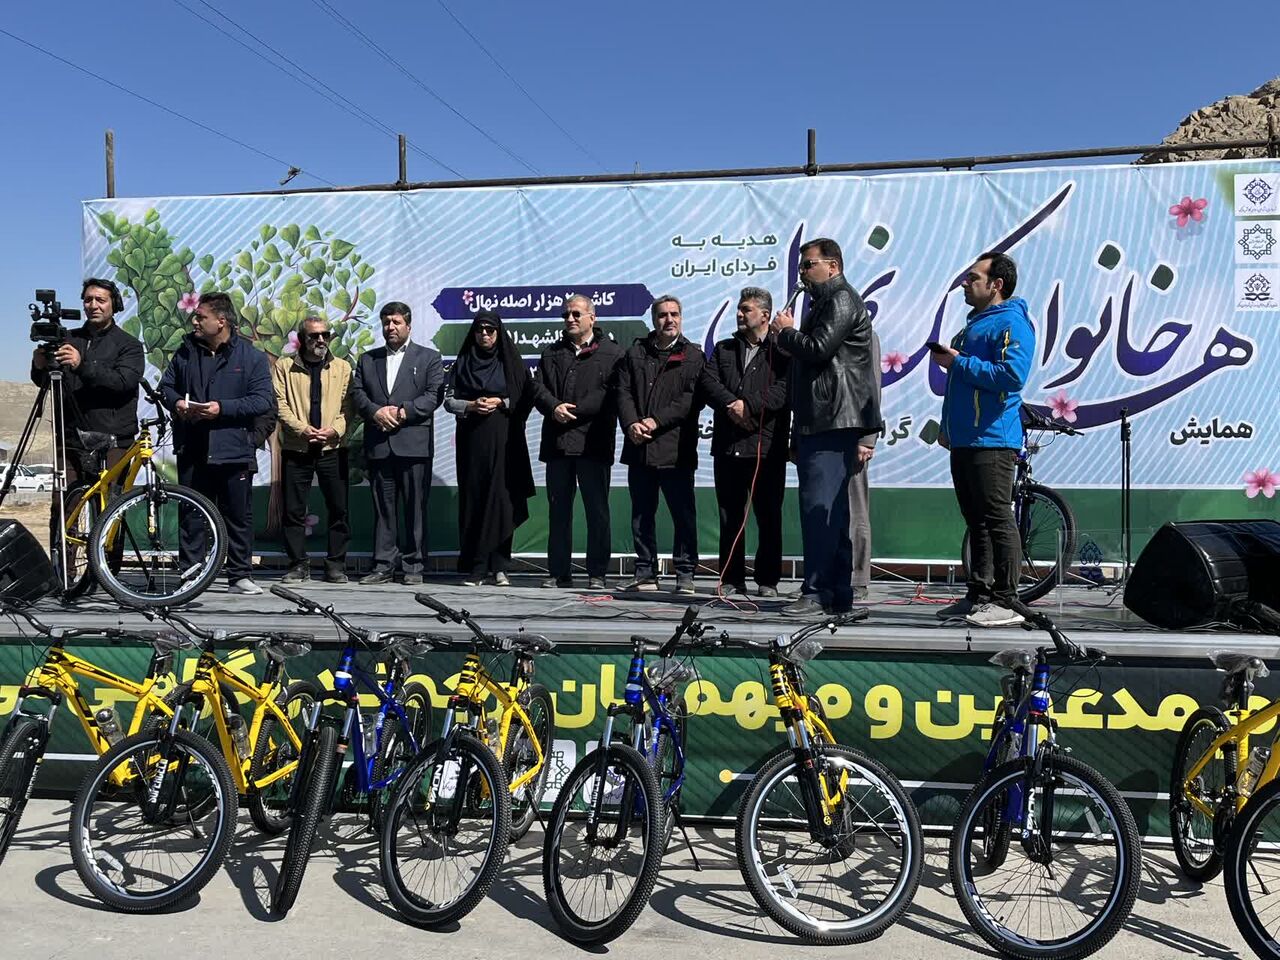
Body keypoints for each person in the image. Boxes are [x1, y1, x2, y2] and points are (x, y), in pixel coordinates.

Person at [770, 238, 882, 615]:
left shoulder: (841, 300)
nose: (802, 273)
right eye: (801, 267)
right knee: (831, 513)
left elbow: (818, 348)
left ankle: (817, 591)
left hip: (833, 420)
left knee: (820, 510)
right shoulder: (825, 302)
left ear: (832, 266)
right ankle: (837, 594)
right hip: (822, 420)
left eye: (808, 265)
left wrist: (785, 332)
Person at [931, 251, 1035, 627]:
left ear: (996, 285)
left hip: (993, 438)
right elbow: (959, 384)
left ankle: (1007, 599)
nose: (964, 283)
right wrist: (949, 428)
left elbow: (1012, 376)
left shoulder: (1011, 323)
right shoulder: (972, 325)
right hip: (966, 439)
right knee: (975, 519)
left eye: (973, 278)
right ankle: (979, 594)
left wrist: (959, 361)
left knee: (996, 517)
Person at [159, 291, 275, 595]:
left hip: (234, 449)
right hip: (193, 449)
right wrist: (177, 404)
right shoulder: (185, 351)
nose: (195, 321)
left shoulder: (251, 357)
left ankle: (239, 575)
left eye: (201, 316)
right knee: (191, 514)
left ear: (221, 321)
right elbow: (166, 387)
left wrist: (222, 408)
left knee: (238, 515)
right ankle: (191, 573)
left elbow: (263, 400)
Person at [700, 287, 790, 598]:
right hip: (728, 444)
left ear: (765, 315)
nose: (740, 314)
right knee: (729, 516)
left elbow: (784, 389)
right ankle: (731, 577)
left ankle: (768, 580)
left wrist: (749, 406)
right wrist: (732, 405)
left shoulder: (782, 351)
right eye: (739, 309)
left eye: (747, 309)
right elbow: (708, 382)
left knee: (768, 515)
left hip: (767, 447)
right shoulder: (725, 348)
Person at [531, 294, 624, 590]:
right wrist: (553, 406)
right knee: (558, 512)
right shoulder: (551, 352)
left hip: (593, 444)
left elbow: (610, 393)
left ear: (592, 318)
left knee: (597, 511)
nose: (570, 319)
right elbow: (538, 387)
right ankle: (559, 572)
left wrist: (575, 411)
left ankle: (597, 572)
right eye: (566, 315)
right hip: (558, 444)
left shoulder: (613, 353)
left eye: (576, 314)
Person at [616, 295, 705, 595]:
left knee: (682, 514)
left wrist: (655, 421)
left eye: (675, 314)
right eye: (663, 315)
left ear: (681, 317)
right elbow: (623, 392)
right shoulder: (636, 352)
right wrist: (631, 424)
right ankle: (645, 571)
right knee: (642, 514)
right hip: (639, 446)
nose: (669, 320)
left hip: (675, 449)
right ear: (654, 320)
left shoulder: (693, 355)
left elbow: (690, 400)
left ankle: (685, 573)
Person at [352, 301, 445, 585]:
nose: (390, 327)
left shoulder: (429, 357)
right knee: (384, 508)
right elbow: (357, 394)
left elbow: (434, 395)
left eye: (395, 322)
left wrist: (403, 412)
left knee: (415, 507)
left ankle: (414, 566)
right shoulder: (368, 359)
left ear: (408, 325)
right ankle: (382, 565)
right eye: (385, 323)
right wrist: (376, 412)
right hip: (380, 444)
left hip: (414, 444)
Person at [444, 310, 536, 586]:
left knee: (502, 499)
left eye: (490, 330)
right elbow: (449, 400)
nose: (484, 335)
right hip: (472, 440)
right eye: (480, 330)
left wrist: (500, 402)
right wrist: (471, 405)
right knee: (476, 497)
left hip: (506, 441)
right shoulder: (463, 362)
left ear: (498, 333)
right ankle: (477, 565)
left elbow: (525, 396)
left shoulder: (511, 362)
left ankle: (500, 566)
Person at [30, 279, 144, 488]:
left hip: (112, 442)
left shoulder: (129, 345)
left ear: (114, 304)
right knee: (65, 506)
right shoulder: (67, 339)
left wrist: (82, 366)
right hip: (70, 440)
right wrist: (39, 367)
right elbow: (44, 382)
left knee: (109, 507)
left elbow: (123, 382)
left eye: (100, 300)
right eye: (88, 300)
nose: (93, 305)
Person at [273, 315, 354, 583]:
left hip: (333, 447)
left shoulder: (342, 367)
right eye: (314, 335)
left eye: (325, 335)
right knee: (294, 510)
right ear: (301, 339)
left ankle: (335, 565)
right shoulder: (284, 367)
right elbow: (279, 404)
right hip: (298, 447)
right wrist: (302, 429)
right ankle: (298, 564)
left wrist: (335, 430)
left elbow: (347, 407)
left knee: (339, 509)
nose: (320, 340)